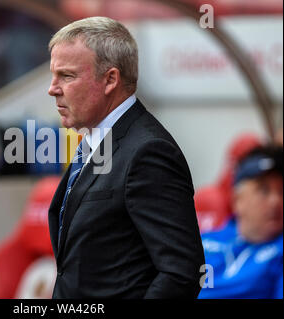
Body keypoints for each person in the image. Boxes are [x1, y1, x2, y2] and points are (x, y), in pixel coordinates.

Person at [47, 16, 204, 298]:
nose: (52, 88)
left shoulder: (149, 152)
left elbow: (181, 273)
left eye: (66, 76)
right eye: (53, 75)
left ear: (110, 80)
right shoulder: (93, 139)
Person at [198, 146, 283, 299]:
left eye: (282, 191)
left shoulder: (279, 252)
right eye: (264, 190)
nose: (276, 201)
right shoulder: (202, 242)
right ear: (237, 200)